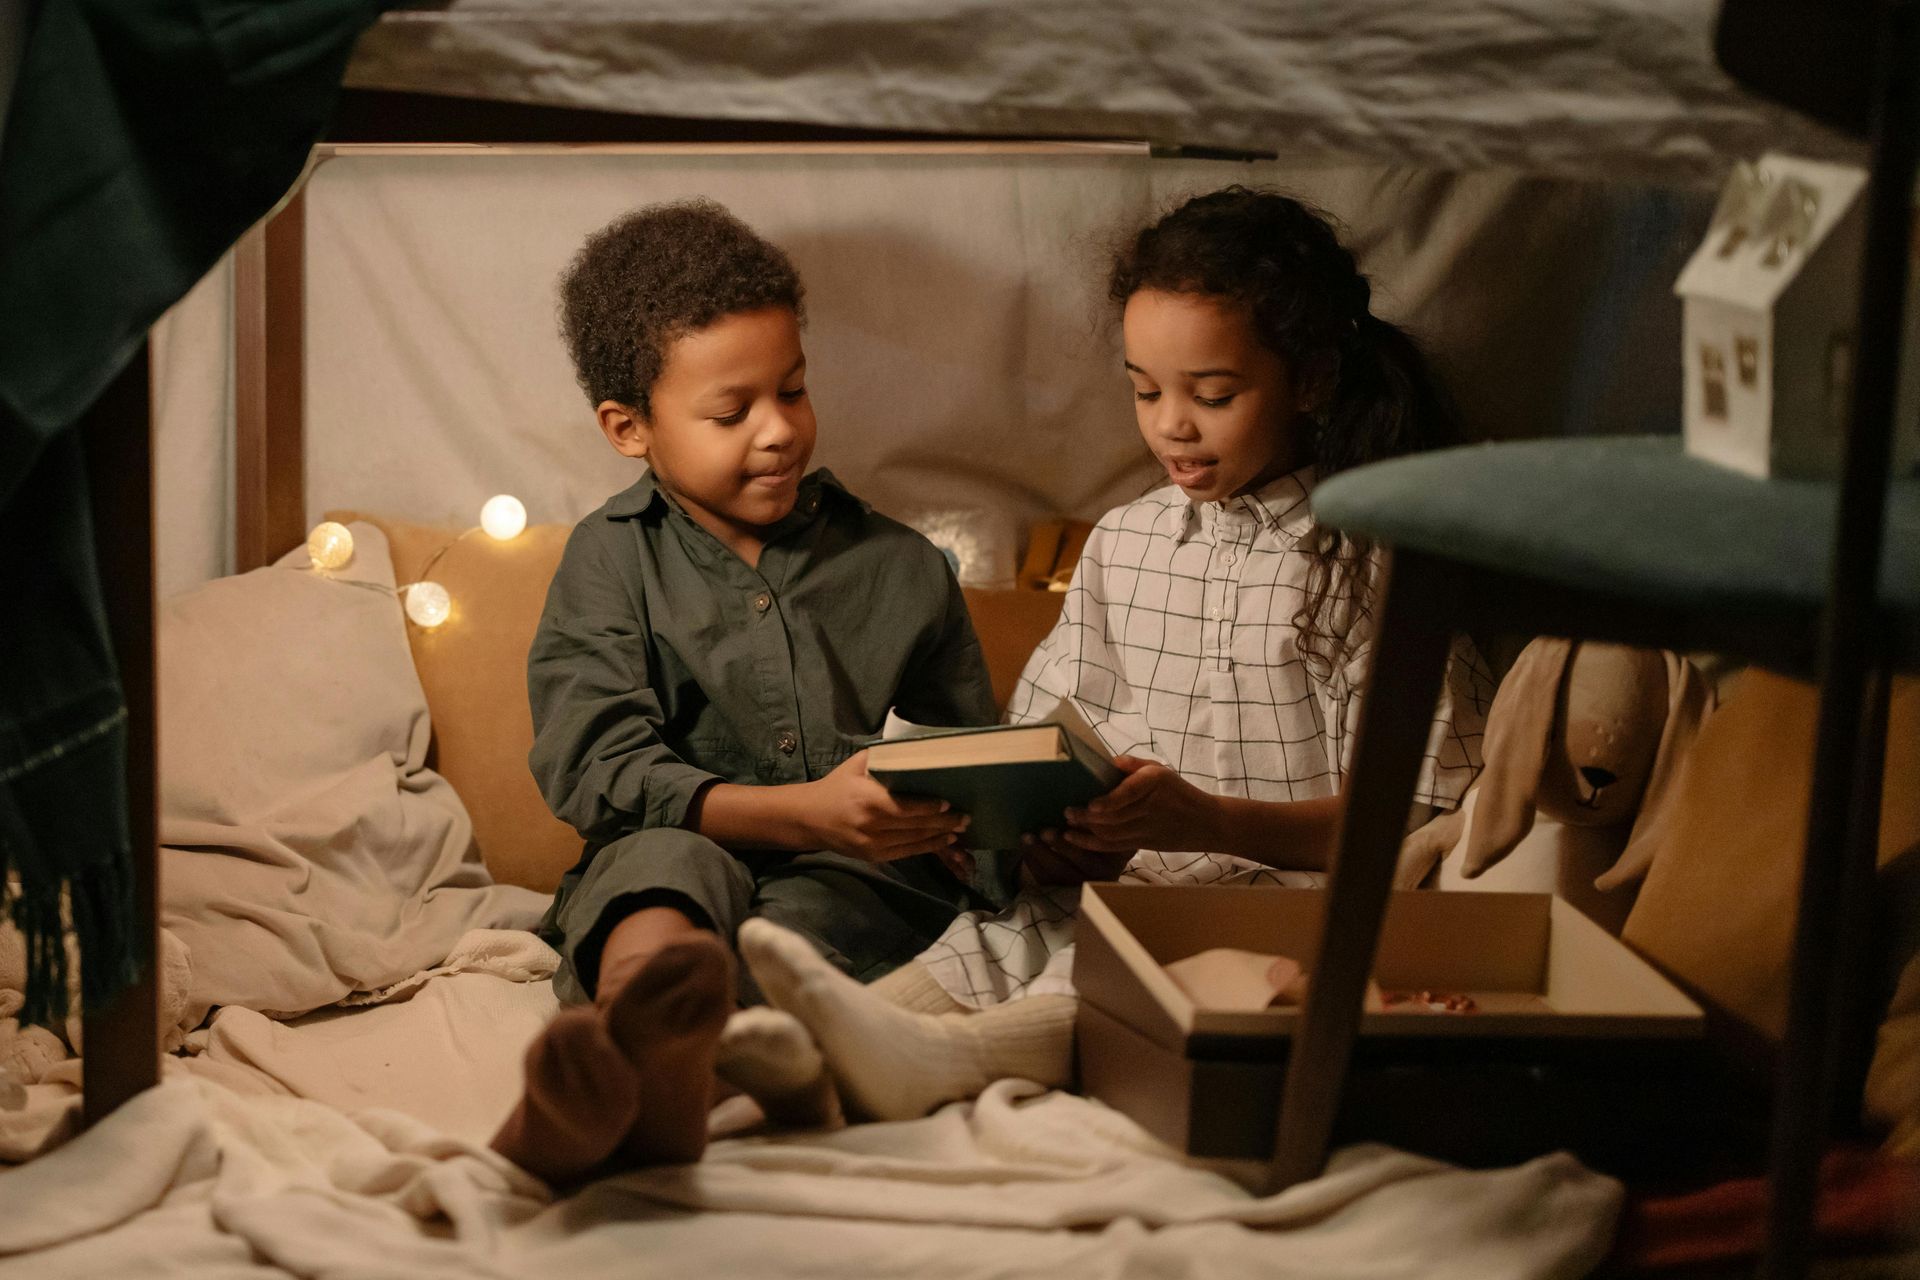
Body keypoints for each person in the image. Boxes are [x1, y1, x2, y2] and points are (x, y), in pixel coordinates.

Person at [737, 186, 1494, 1122]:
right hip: (1111, 898)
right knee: (992, 945)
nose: (1170, 424)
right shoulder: (1127, 544)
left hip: (1289, 920)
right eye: (1144, 390)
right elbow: (1050, 739)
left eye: (1212, 395)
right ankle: (781, 1066)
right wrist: (1048, 839)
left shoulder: (1375, 559)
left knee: (1118, 972)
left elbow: (1423, 821)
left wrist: (1211, 822)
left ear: (1313, 378)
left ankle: (927, 1061)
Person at [489, 199, 1013, 1183]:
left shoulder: (902, 566)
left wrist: (971, 822)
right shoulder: (609, 560)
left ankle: (652, 1092)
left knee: (795, 931)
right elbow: (595, 768)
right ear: (628, 427)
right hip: (682, 846)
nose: (778, 431)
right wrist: (797, 808)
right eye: (732, 413)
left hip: (855, 869)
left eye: (795, 391)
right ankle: (628, 1041)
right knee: (656, 868)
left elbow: (969, 765)